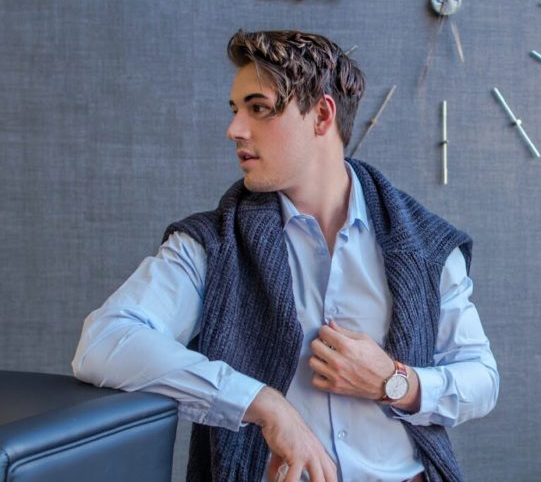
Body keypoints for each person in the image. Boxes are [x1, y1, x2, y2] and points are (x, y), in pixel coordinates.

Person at [72, 30, 499, 482]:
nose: (234, 129)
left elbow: (482, 379)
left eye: (258, 108)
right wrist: (263, 404)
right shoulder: (212, 245)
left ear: (321, 116)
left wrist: (394, 382)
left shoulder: (424, 245)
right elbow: (103, 342)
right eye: (236, 110)